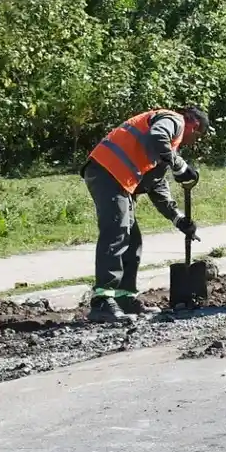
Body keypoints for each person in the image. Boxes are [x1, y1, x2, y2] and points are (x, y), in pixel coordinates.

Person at [84, 106, 210, 323]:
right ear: (194, 125)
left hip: (118, 178)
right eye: (197, 136)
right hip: (107, 170)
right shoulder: (174, 120)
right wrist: (179, 165)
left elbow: (156, 185)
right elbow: (158, 135)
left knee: (132, 240)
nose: (193, 141)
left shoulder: (164, 150)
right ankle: (103, 300)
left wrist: (178, 218)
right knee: (117, 232)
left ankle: (124, 298)